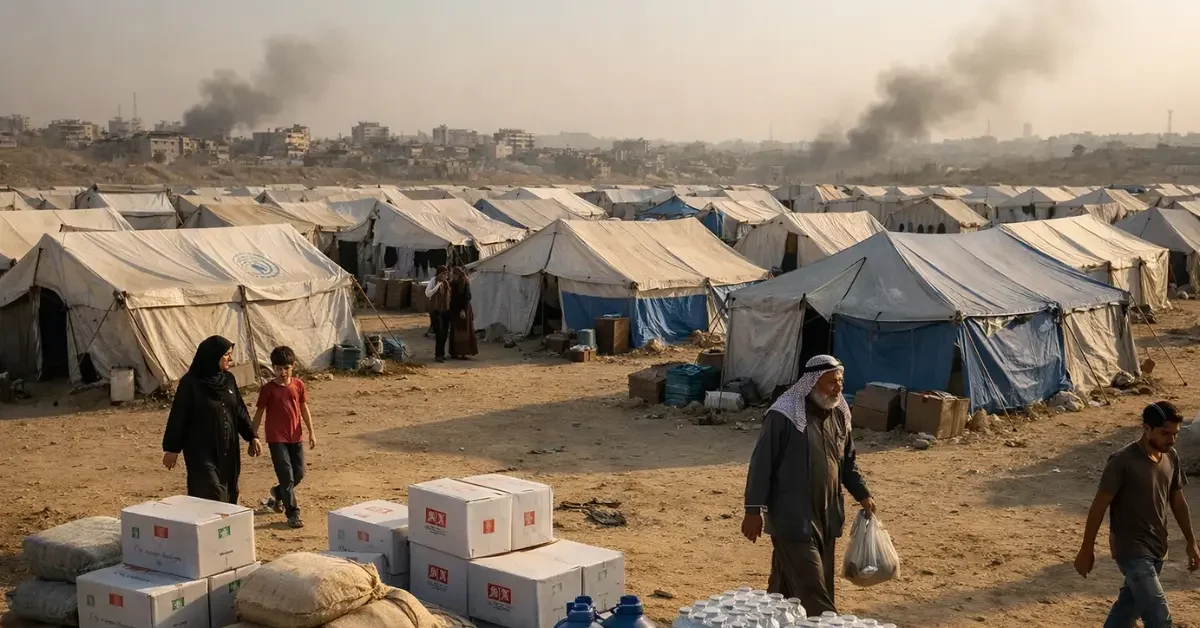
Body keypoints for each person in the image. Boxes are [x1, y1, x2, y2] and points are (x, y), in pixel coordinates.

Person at [741, 354, 875, 616]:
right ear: (812, 384)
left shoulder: (838, 414)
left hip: (827, 516)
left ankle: (773, 619)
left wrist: (863, 493)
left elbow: (847, 462)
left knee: (787, 585)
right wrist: (752, 510)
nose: (838, 388)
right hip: (792, 518)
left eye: (840, 381)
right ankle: (829, 622)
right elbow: (761, 464)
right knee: (813, 587)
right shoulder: (783, 416)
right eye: (830, 382)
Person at [1075, 401, 1198, 628]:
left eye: (1175, 434)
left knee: (1126, 612)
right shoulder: (1122, 461)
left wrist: (1191, 542)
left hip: (1158, 548)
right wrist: (1086, 548)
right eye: (1165, 433)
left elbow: (1178, 502)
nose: (1171, 440)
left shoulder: (1171, 456)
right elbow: (1098, 506)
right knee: (1159, 617)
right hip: (1130, 550)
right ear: (1146, 428)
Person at [162, 336, 262, 504]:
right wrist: (173, 448)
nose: (230, 358)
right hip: (201, 451)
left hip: (228, 448)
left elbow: (238, 410)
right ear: (212, 356)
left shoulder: (228, 379)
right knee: (210, 494)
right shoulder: (190, 383)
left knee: (229, 494)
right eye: (226, 355)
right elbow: (179, 415)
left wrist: (252, 436)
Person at [251, 346, 316, 529]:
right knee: (287, 476)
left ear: (293, 366)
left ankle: (277, 492)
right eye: (278, 368)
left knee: (299, 474)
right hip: (276, 439)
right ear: (273, 368)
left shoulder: (298, 385)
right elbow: (259, 413)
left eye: (286, 368)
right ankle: (293, 514)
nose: (282, 372)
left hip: (296, 437)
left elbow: (304, 409)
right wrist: (252, 437)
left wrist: (311, 432)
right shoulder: (268, 390)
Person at [448, 266, 478, 360]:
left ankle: (463, 352)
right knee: (455, 330)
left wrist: (463, 310)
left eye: (454, 274)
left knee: (463, 331)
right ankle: (455, 352)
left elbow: (467, 297)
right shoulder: (454, 283)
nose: (453, 275)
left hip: (463, 309)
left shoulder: (464, 283)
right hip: (454, 309)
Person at [425, 265, 452, 363]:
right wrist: (437, 285)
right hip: (435, 311)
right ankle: (438, 355)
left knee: (444, 334)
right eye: (443, 273)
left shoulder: (447, 284)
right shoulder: (434, 281)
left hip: (445, 311)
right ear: (439, 274)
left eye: (446, 273)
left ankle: (442, 354)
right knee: (439, 333)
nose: (445, 275)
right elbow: (428, 293)